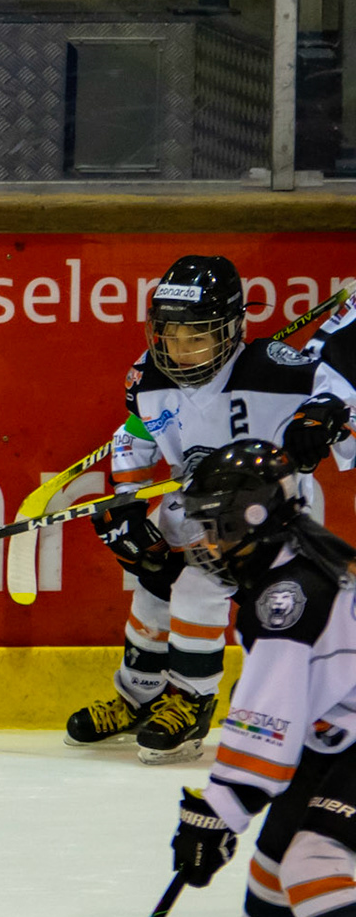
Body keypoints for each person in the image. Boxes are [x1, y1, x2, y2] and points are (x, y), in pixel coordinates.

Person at [68, 255, 354, 763]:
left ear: (231, 329)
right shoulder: (149, 377)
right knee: (153, 588)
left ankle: (191, 701)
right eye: (170, 335)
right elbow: (133, 438)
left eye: (195, 337)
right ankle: (138, 696)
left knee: (198, 588)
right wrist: (127, 502)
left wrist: (323, 419)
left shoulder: (273, 367)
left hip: (268, 521)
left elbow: (338, 393)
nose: (180, 350)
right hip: (191, 512)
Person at [159, 440, 356, 917]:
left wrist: (216, 811)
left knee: (312, 861)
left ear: (250, 518)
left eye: (212, 526)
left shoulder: (287, 596)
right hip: (340, 733)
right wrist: (227, 811)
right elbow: (289, 715)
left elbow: (267, 723)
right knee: (275, 860)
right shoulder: (286, 564)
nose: (203, 543)